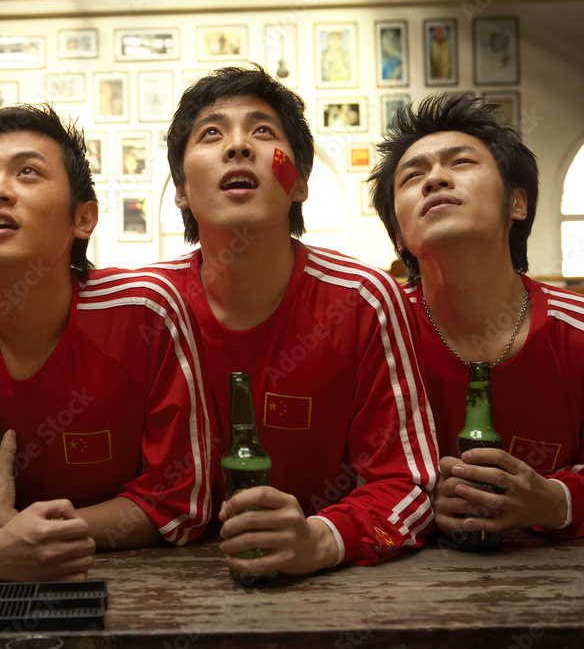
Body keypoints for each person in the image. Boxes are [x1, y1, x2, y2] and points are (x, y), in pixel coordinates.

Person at [0, 104, 213, 581]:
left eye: (27, 172)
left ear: (83, 218)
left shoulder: (145, 313)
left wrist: (13, 529)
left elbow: (177, 499)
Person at [154, 65, 437, 577]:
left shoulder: (363, 300)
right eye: (211, 133)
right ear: (179, 190)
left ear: (300, 183)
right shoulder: (146, 305)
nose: (238, 146)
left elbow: (411, 490)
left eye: (263, 132)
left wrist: (322, 539)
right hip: (159, 581)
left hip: (332, 585)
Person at [368, 93, 583, 540]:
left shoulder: (576, 330)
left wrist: (554, 499)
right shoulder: (373, 335)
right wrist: (421, 501)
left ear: (517, 203)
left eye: (460, 162)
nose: (435, 180)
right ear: (399, 236)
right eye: (413, 176)